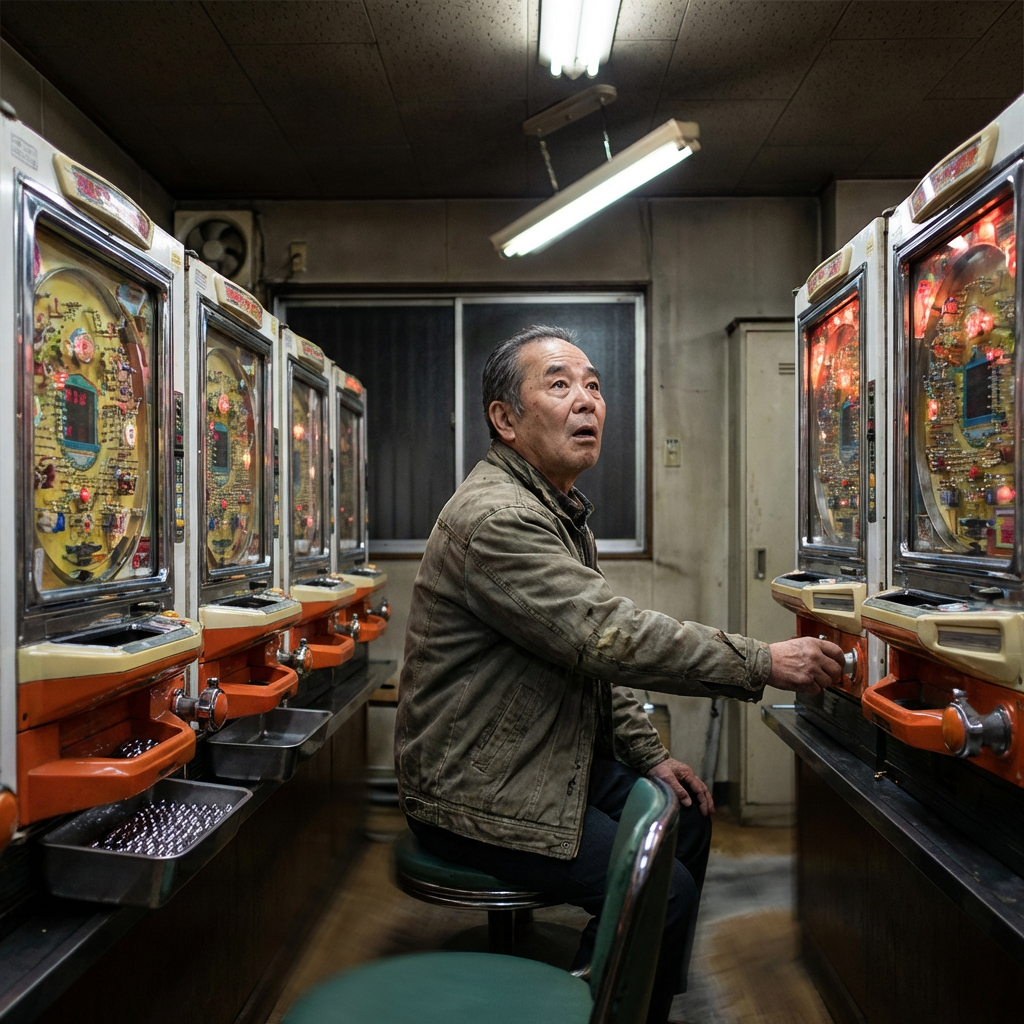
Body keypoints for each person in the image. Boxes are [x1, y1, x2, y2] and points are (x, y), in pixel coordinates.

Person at [395, 325, 843, 1023]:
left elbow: (590, 657)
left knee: (685, 814)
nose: (587, 402)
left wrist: (649, 755)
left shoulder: (554, 506)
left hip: (535, 758)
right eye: (560, 384)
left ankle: (616, 988)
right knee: (662, 892)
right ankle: (611, 995)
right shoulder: (500, 520)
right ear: (504, 419)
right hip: (477, 787)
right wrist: (763, 661)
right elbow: (609, 637)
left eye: (595, 385)